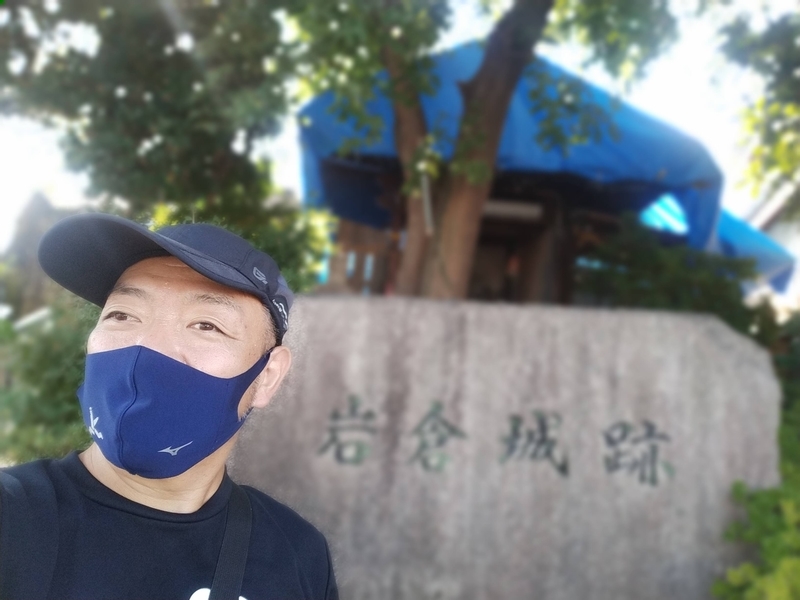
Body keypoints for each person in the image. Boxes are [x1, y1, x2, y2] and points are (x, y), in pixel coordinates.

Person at [0, 213, 339, 600]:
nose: (146, 348)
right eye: (122, 315)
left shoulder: (298, 555)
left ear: (267, 377)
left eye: (207, 325)